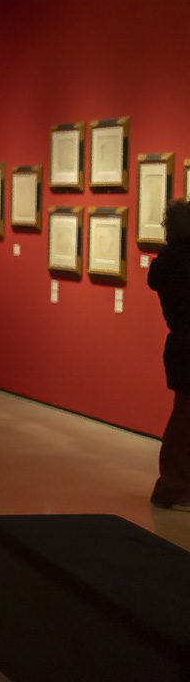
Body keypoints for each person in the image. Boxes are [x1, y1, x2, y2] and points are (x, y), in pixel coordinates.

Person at [149, 199, 190, 510]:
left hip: (181, 347)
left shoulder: (170, 260)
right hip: (187, 349)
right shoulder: (182, 264)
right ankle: (173, 487)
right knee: (184, 421)